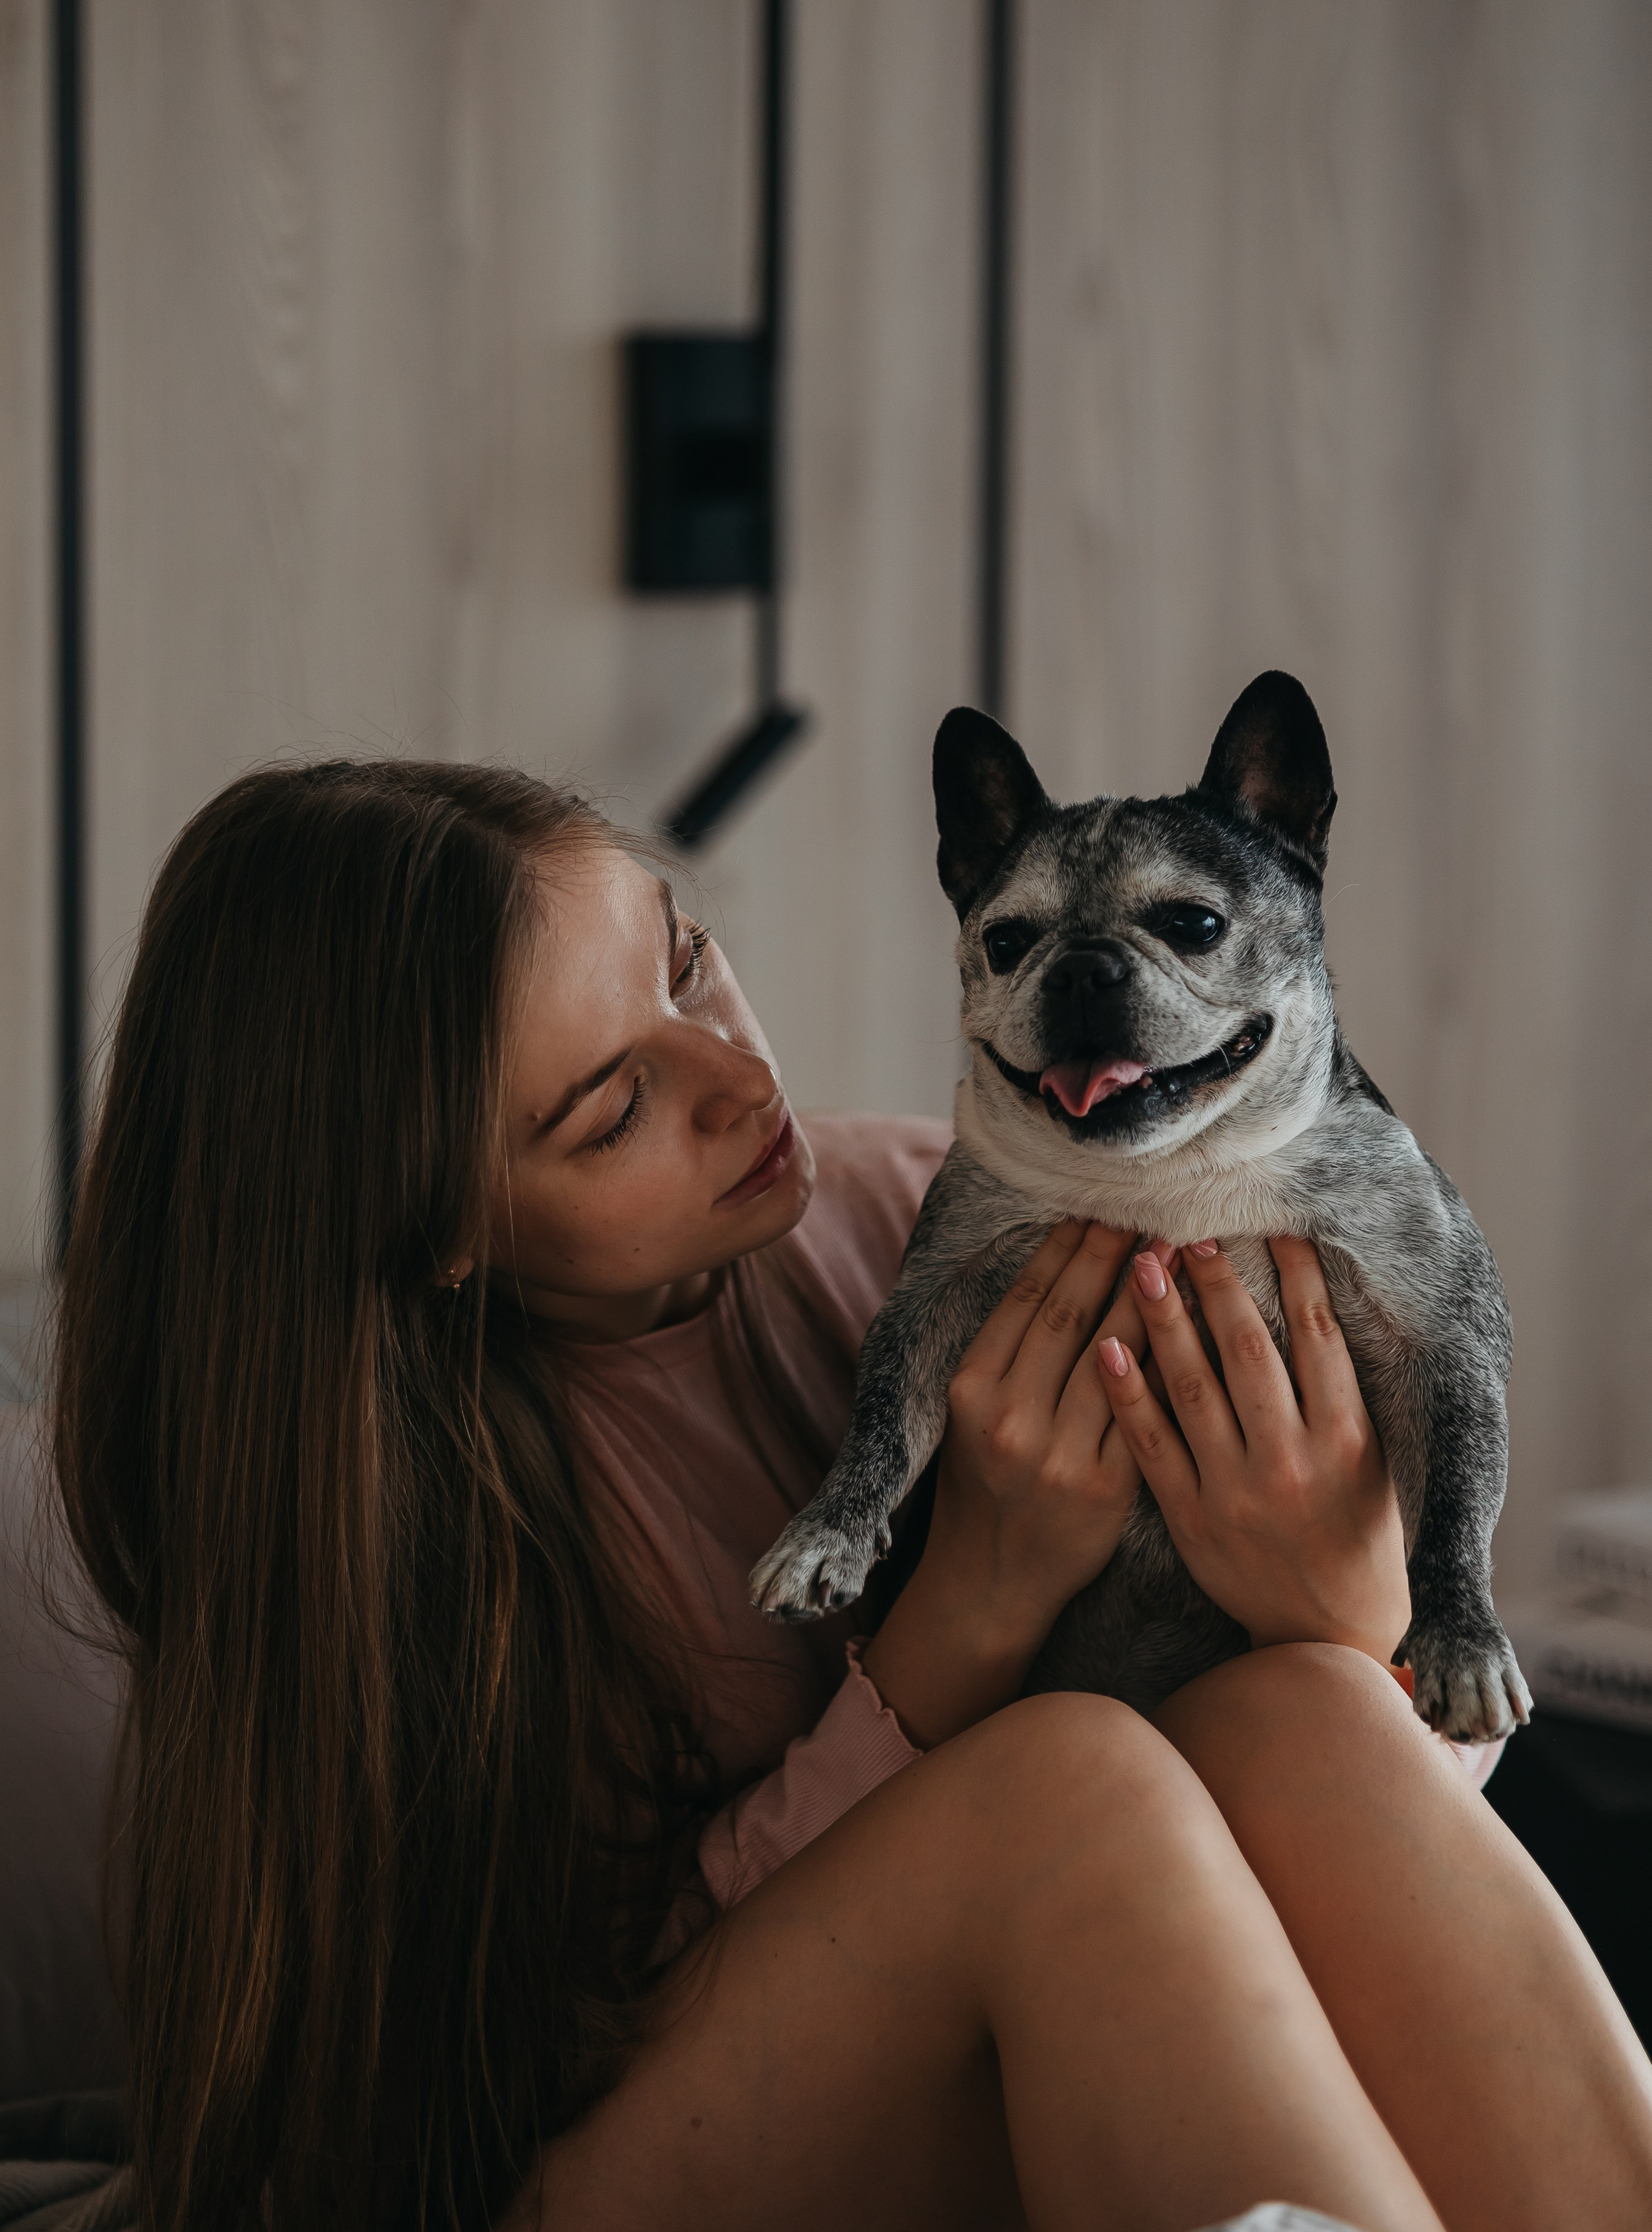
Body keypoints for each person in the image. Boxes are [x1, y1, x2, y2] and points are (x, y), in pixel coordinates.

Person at [50, 762, 1652, 2232]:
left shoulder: (947, 1205)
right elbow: (576, 2025)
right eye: (610, 1108)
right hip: (555, 2161)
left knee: (1301, 1711)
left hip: (952, 2067)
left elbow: (1379, 1806)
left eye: (687, 963)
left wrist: (1350, 1614)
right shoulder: (374, 1510)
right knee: (1067, 1788)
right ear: (437, 1231)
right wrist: (967, 1609)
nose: (735, 1076)